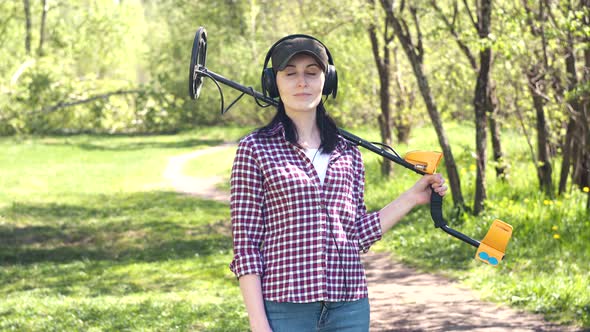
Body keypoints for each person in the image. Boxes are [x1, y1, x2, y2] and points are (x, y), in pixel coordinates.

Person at [229, 34, 447, 332]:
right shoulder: (255, 149)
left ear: (327, 80)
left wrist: (412, 197)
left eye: (312, 73)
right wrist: (258, 322)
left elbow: (355, 234)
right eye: (290, 74)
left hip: (350, 307)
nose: (302, 82)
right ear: (273, 82)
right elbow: (246, 246)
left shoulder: (349, 152)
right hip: (286, 309)